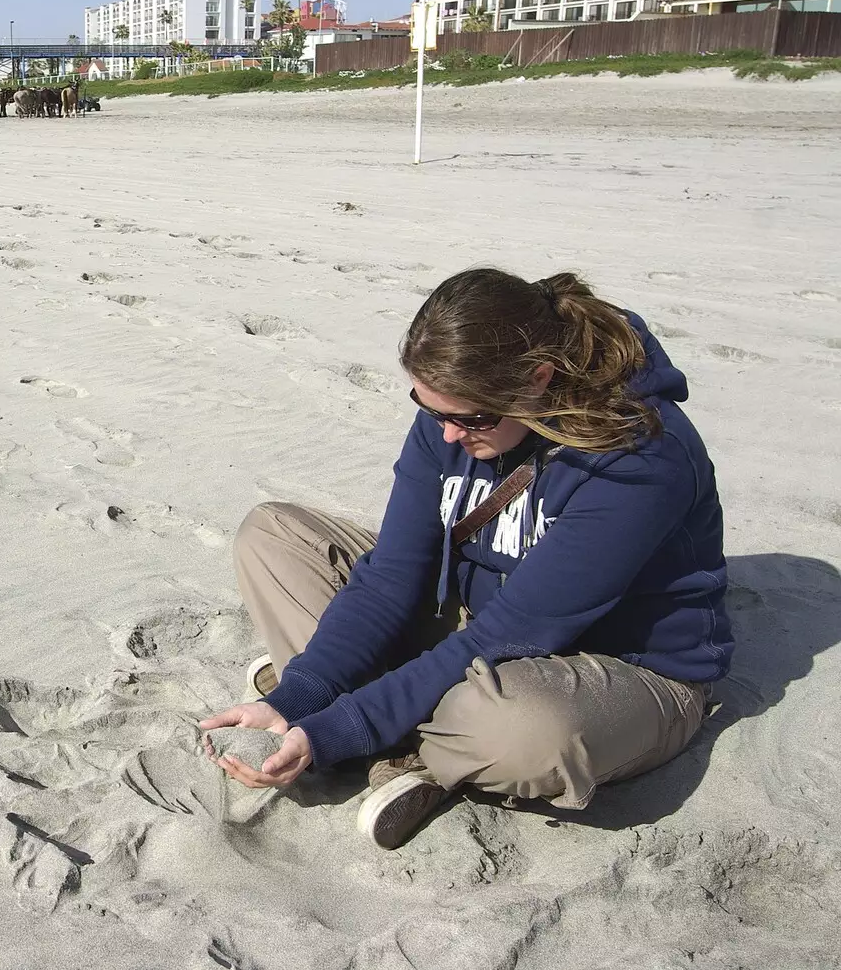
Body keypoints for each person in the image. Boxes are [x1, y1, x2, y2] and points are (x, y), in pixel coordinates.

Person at [200, 268, 732, 850]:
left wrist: (338, 728)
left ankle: (391, 727)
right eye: (431, 412)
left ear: (538, 379)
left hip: (613, 666)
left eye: (471, 419)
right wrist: (295, 698)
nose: (449, 435)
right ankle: (382, 713)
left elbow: (517, 632)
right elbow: (391, 578)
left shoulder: (641, 457)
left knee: (526, 732)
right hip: (477, 621)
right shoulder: (456, 414)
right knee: (274, 536)